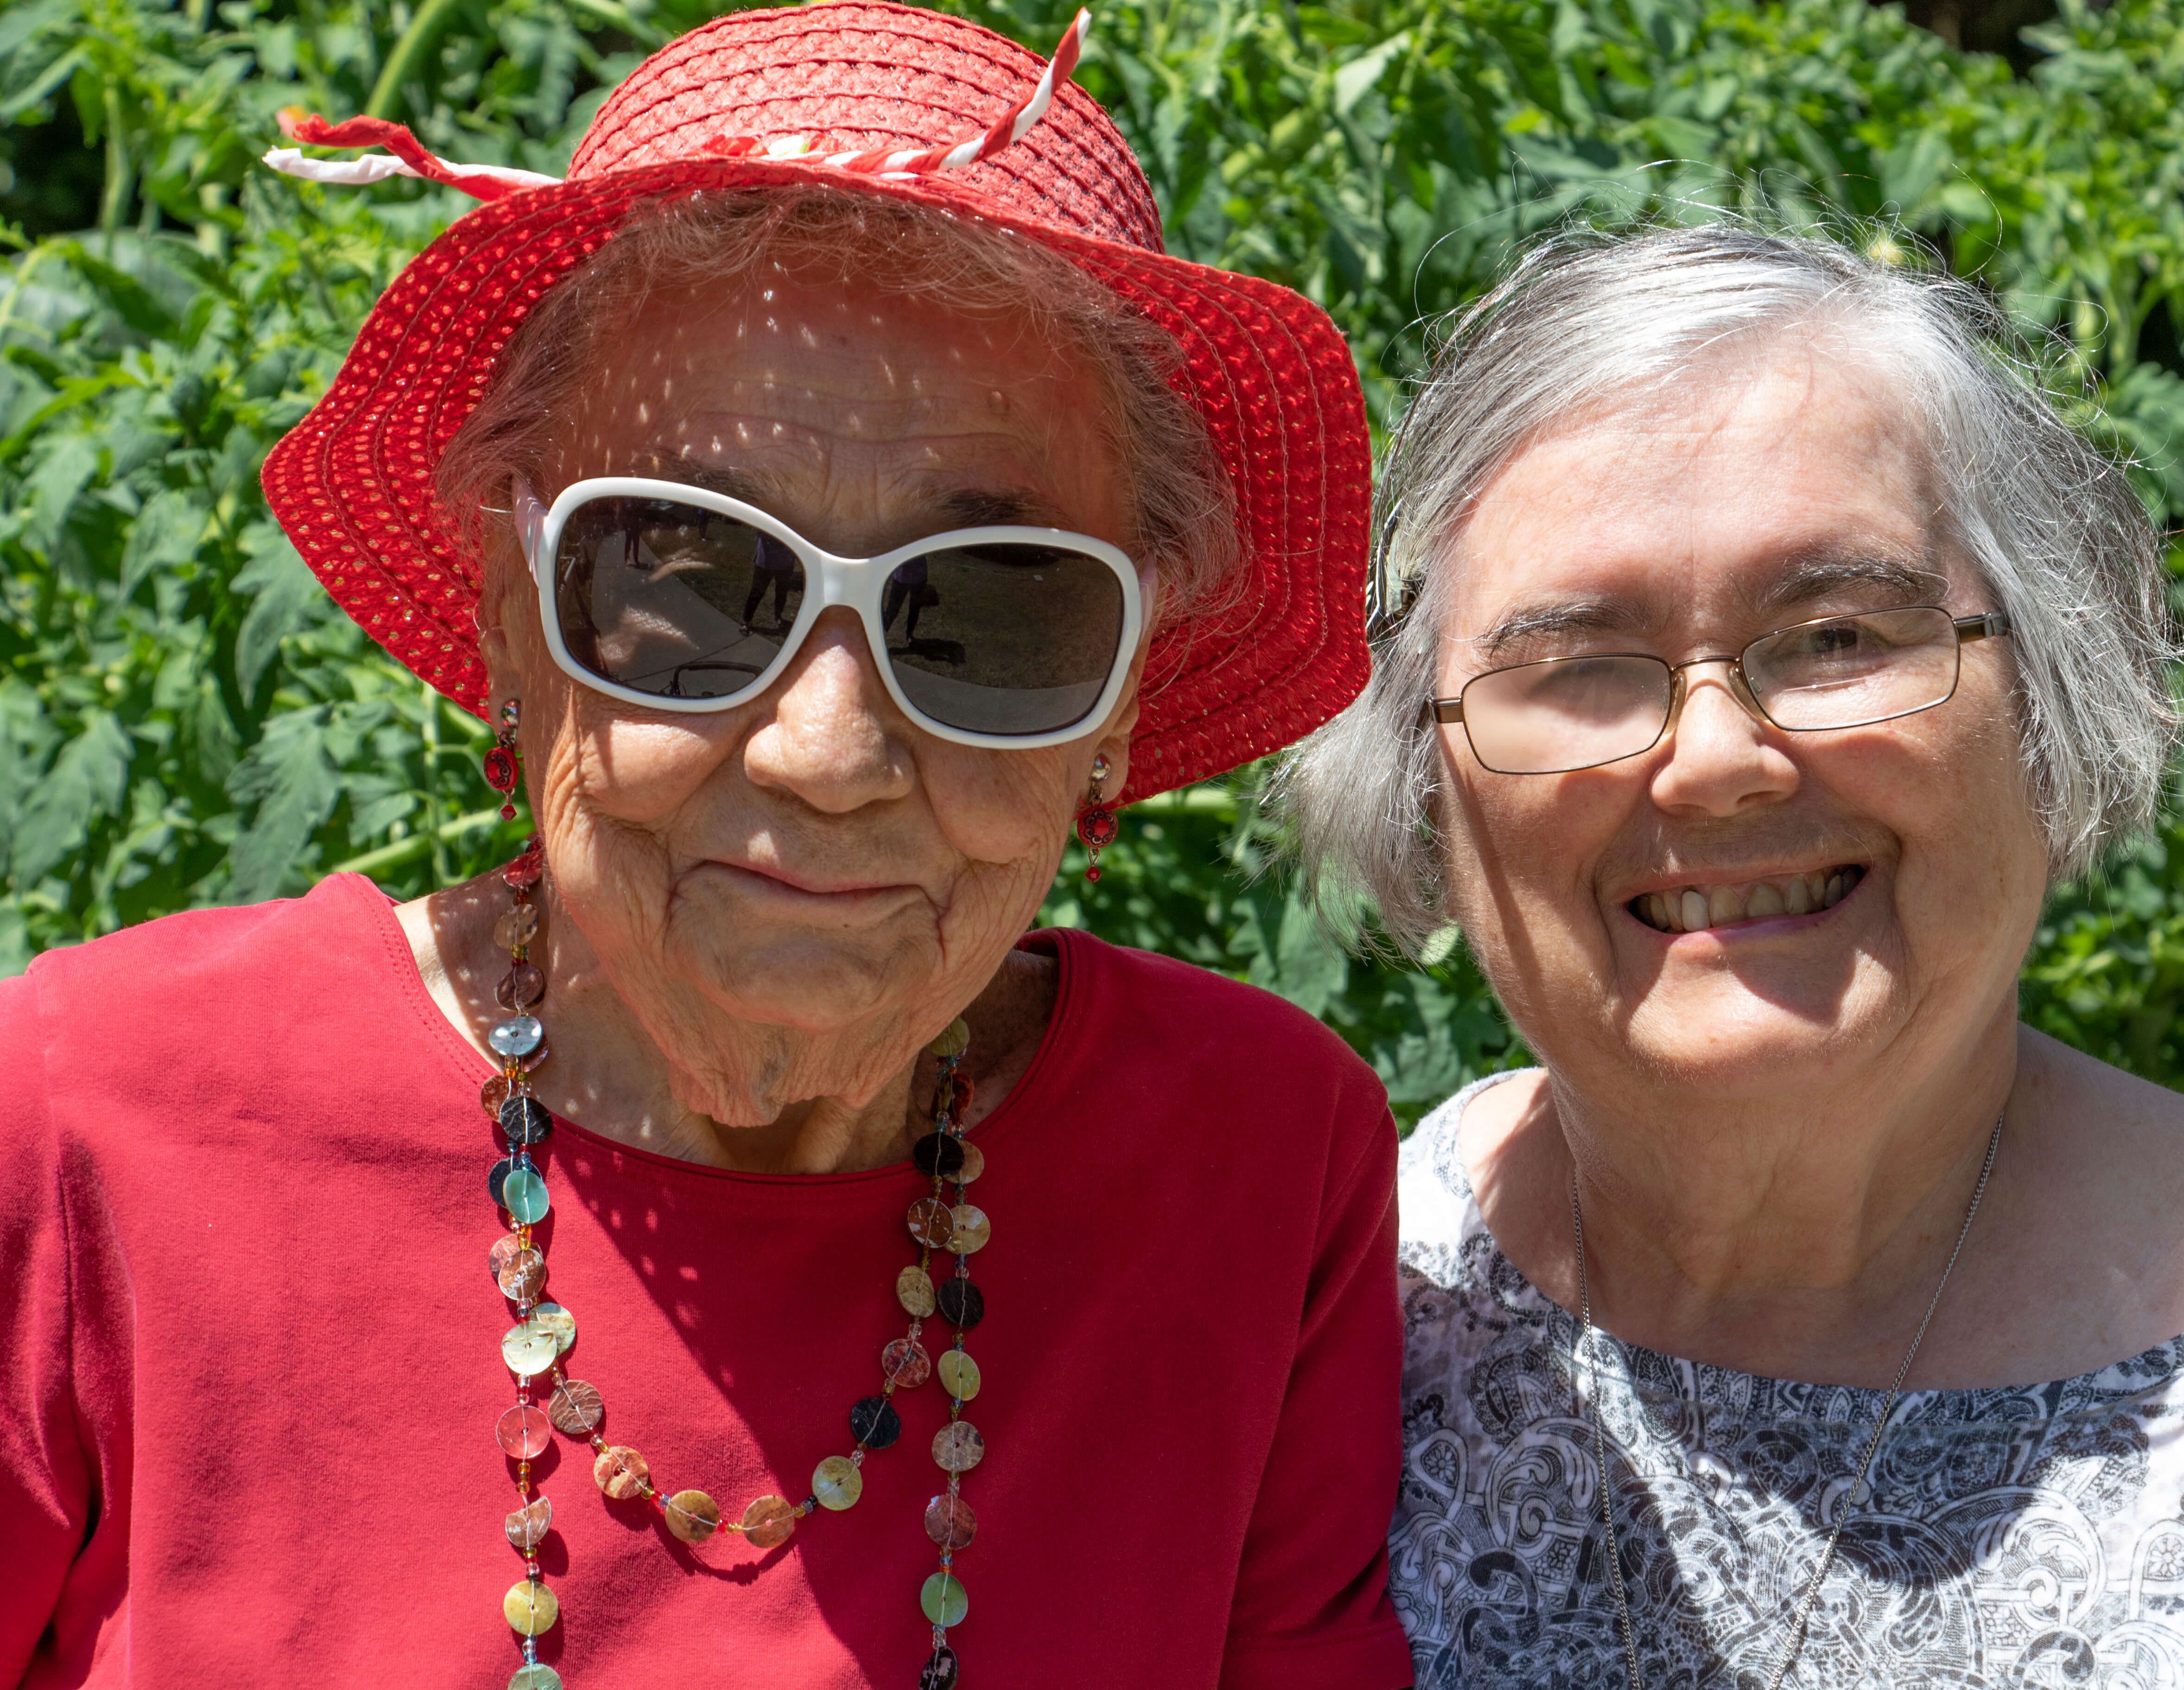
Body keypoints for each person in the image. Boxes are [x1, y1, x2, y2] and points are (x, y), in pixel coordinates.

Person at [0, 8, 1414, 1689]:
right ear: (510, 611)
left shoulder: (1255, 1164)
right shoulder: (94, 1121)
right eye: (680, 580)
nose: (830, 755)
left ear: (1117, 704)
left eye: (986, 615)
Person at [1284, 224, 2184, 1687]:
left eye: (1832, 638)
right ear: (1422, 772)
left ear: (2051, 682)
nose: (1715, 761)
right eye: (1577, 666)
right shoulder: (1339, 1312)